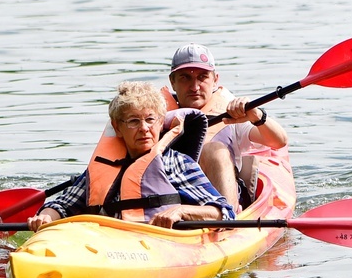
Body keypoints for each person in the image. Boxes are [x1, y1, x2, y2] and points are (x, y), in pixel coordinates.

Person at [27, 81, 235, 231]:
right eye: (134, 121)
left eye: (150, 120)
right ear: (118, 128)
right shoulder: (105, 165)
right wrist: (45, 217)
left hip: (159, 246)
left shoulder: (175, 162)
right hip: (110, 246)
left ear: (160, 122)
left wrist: (180, 211)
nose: (144, 128)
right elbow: (63, 205)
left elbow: (223, 212)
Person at [165, 43, 289, 210]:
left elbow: (279, 141)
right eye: (185, 77)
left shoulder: (231, 113)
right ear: (172, 82)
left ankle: (227, 219)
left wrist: (257, 115)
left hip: (221, 205)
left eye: (202, 77)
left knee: (214, 149)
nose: (194, 87)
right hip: (171, 200)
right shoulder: (153, 115)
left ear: (215, 80)